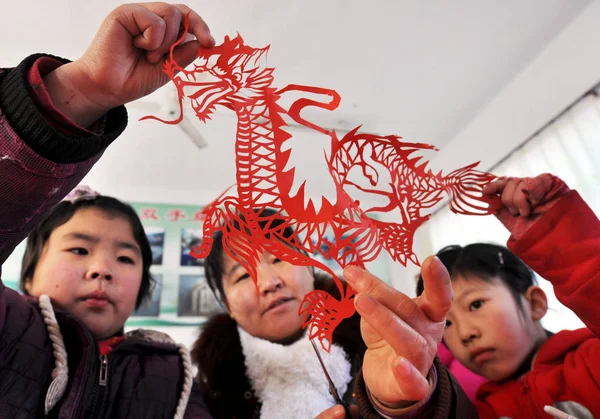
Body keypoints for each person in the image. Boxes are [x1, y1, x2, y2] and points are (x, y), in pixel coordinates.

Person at [0, 3, 216, 418]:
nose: (103, 270)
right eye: (79, 250)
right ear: (28, 272)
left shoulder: (177, 379)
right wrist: (84, 93)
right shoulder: (9, 328)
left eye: (125, 257)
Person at [349, 174, 600, 418]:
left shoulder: (590, 361)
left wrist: (557, 233)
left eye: (476, 304)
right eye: (447, 323)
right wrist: (401, 403)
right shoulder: (484, 410)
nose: (465, 334)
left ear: (534, 303)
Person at [191, 208, 458, 419]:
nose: (269, 282)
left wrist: (406, 405)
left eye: (279, 258)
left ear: (309, 267)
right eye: (242, 276)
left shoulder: (379, 336)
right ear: (227, 305)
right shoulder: (207, 392)